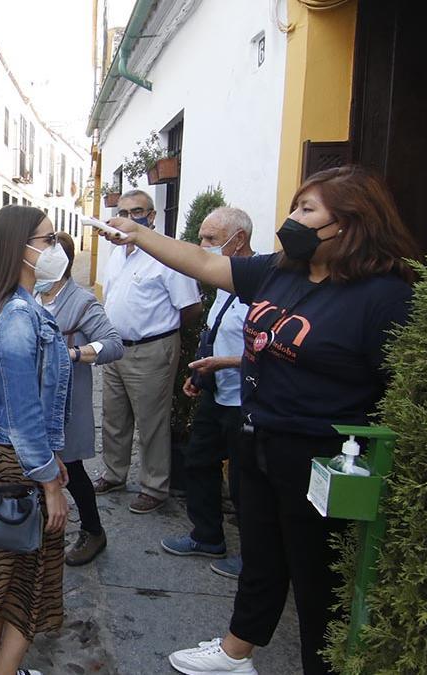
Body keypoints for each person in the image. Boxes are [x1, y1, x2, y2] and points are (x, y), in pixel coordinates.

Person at [97, 167, 416, 675]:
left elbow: (403, 392)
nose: (293, 219)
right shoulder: (281, 271)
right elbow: (205, 261)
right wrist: (138, 233)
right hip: (258, 437)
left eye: (307, 209)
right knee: (261, 559)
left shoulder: (384, 297)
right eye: (295, 207)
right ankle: (235, 652)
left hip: (319, 457)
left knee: (316, 582)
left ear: (351, 221)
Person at [0, 205, 72, 675]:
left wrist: (51, 460)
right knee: (28, 584)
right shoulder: (19, 318)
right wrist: (50, 483)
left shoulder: (13, 307)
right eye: (48, 240)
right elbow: (25, 416)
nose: (56, 248)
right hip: (18, 466)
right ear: (19, 248)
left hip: (4, 459)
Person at [93, 189, 202, 514]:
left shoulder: (166, 255)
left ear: (151, 216)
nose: (129, 218)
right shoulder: (117, 252)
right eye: (123, 212)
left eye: (137, 212)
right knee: (113, 417)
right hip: (116, 349)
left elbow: (191, 307)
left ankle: (155, 487)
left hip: (151, 350)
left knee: (151, 422)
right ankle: (114, 474)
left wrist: (159, 330)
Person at [160, 207, 255, 581]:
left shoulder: (261, 287)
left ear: (238, 240)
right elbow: (216, 331)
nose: (202, 245)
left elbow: (267, 350)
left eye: (210, 239)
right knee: (198, 460)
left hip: (245, 402)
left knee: (246, 483)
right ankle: (207, 536)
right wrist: (200, 375)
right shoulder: (224, 281)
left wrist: (225, 363)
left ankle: (254, 557)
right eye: (201, 237)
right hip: (216, 394)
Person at [34, 231, 124, 567]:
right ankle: (35, 530)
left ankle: (93, 530)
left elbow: (113, 344)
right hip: (31, 399)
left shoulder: (82, 302)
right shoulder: (30, 294)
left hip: (64, 402)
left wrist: (73, 353)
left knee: (70, 467)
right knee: (33, 464)